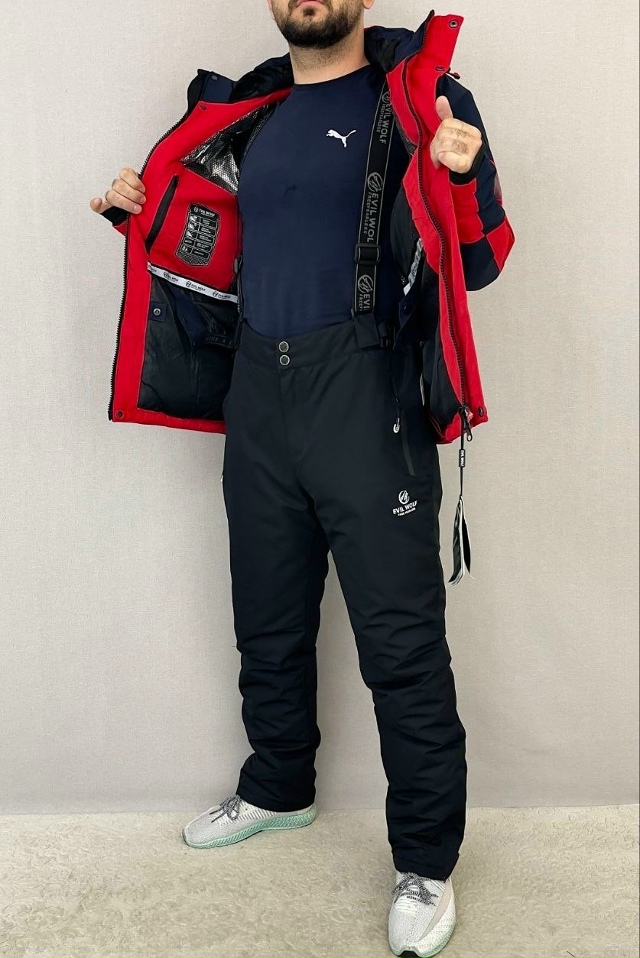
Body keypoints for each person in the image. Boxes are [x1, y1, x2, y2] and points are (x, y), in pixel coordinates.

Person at [90, 2, 514, 954]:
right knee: (267, 612)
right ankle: (279, 787)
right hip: (258, 391)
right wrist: (141, 213)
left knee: (400, 641)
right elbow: (213, 254)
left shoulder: (419, 101)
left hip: (366, 390)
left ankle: (426, 862)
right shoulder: (251, 112)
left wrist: (462, 172)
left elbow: (480, 258)